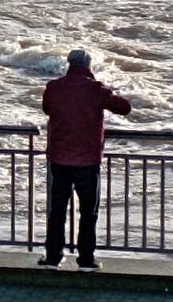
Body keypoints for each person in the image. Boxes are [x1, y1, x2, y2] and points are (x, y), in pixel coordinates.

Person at [38, 48, 131, 272]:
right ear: (88, 65)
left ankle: (53, 258)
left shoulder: (54, 87)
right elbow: (124, 108)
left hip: (59, 159)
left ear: (69, 64)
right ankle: (86, 260)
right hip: (88, 162)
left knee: (57, 210)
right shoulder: (95, 89)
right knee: (88, 211)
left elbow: (47, 109)